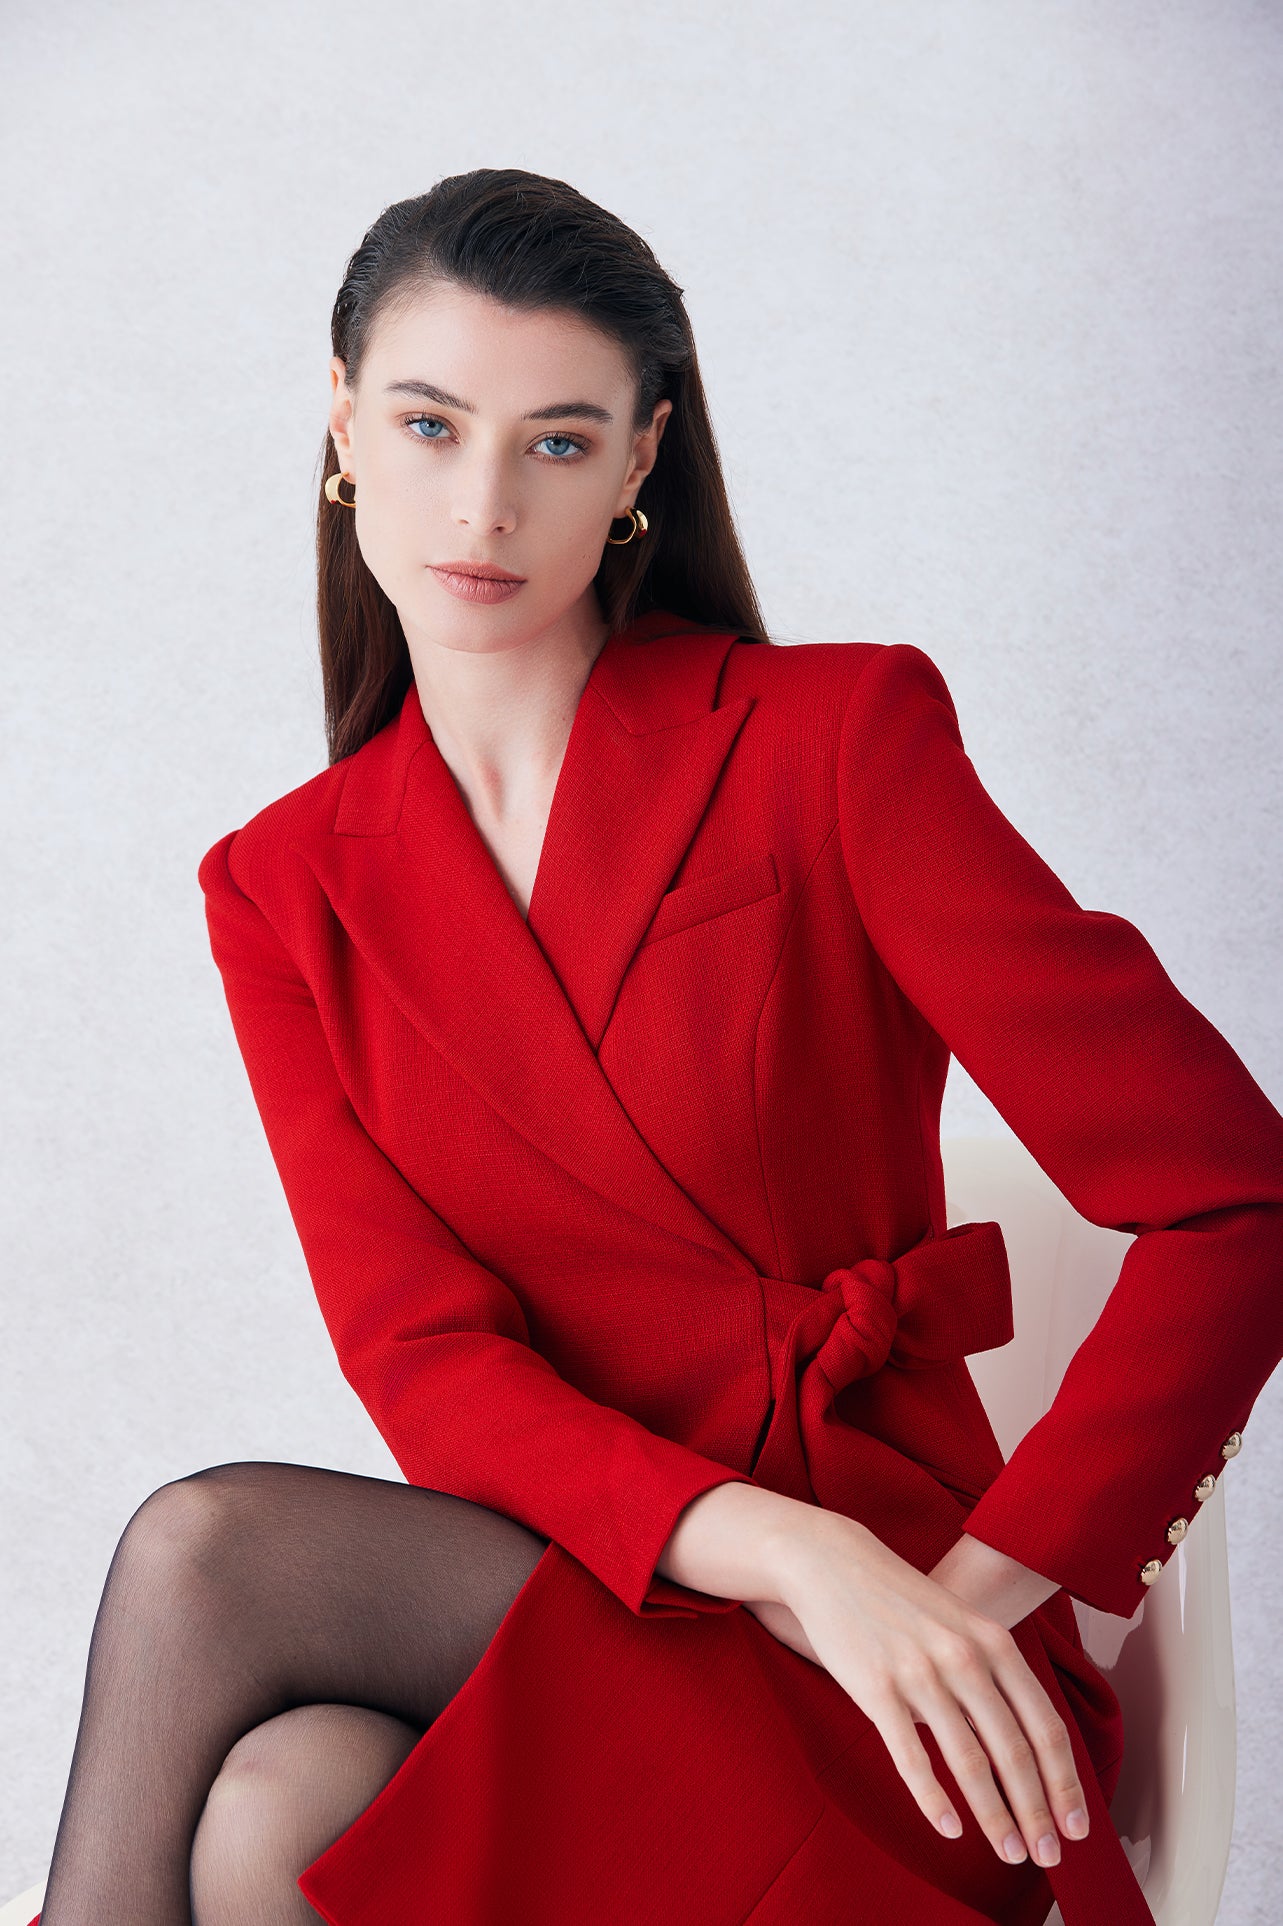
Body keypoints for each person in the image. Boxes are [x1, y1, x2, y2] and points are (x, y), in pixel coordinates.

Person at [30, 167, 1283, 1926]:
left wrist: (981, 1587)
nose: (483, 504)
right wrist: (780, 1551)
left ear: (640, 463)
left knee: (207, 1554)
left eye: (555, 442)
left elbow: (1238, 1197)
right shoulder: (281, 889)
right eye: (429, 424)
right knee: (276, 1807)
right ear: (344, 428)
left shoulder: (833, 739)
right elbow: (428, 1361)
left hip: (891, 1671)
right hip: (622, 1581)